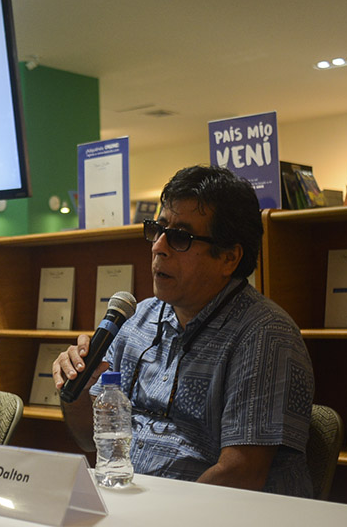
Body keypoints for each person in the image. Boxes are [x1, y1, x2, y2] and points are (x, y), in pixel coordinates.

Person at [53, 165, 315, 497]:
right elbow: (88, 439)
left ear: (229, 258)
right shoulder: (136, 320)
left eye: (179, 237)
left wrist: (156, 516)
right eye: (157, 230)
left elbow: (241, 474)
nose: (157, 247)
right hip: (130, 505)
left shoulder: (265, 336)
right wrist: (77, 391)